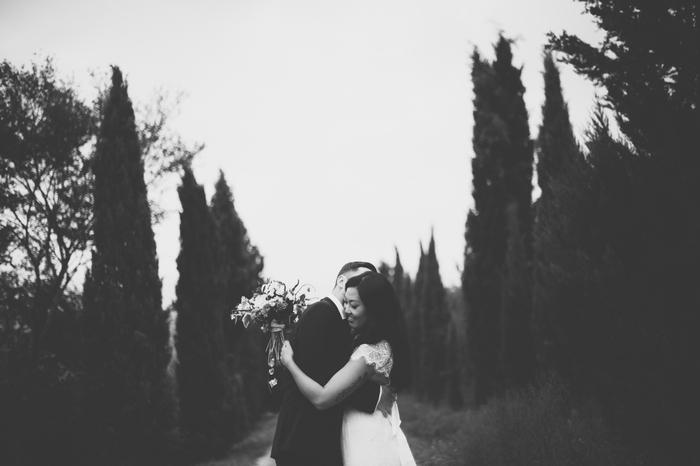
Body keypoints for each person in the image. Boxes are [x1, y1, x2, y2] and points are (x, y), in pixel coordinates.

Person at [280, 271, 416, 466]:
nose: (346, 310)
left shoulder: (368, 353)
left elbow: (322, 398)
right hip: (368, 430)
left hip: (367, 439)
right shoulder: (380, 342)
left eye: (354, 305)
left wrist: (290, 363)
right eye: (346, 302)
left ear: (374, 309)